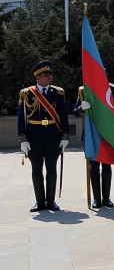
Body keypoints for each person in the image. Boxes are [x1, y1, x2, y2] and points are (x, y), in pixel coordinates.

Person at [18, 60, 69, 212]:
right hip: (34, 136)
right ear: (38, 77)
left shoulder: (58, 93)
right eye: (46, 75)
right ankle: (39, 201)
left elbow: (63, 116)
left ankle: (51, 201)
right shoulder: (27, 94)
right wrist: (23, 139)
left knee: (51, 169)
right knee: (36, 170)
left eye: (50, 74)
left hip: (53, 136)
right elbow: (22, 117)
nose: (49, 77)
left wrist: (65, 136)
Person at [74, 79, 114, 210]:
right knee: (94, 167)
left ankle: (106, 197)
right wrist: (81, 108)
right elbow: (75, 112)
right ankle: (96, 198)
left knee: (107, 165)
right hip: (92, 133)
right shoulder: (84, 90)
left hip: (108, 133)